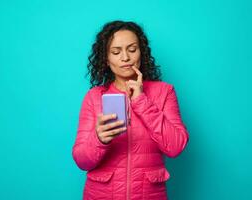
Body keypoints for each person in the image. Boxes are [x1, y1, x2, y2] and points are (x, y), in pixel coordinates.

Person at [72, 20, 189, 200]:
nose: (125, 57)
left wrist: (141, 101)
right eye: (116, 52)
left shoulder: (164, 92)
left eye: (132, 49)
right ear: (106, 58)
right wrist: (99, 139)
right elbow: (82, 161)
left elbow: (175, 147)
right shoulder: (94, 97)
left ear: (141, 52)